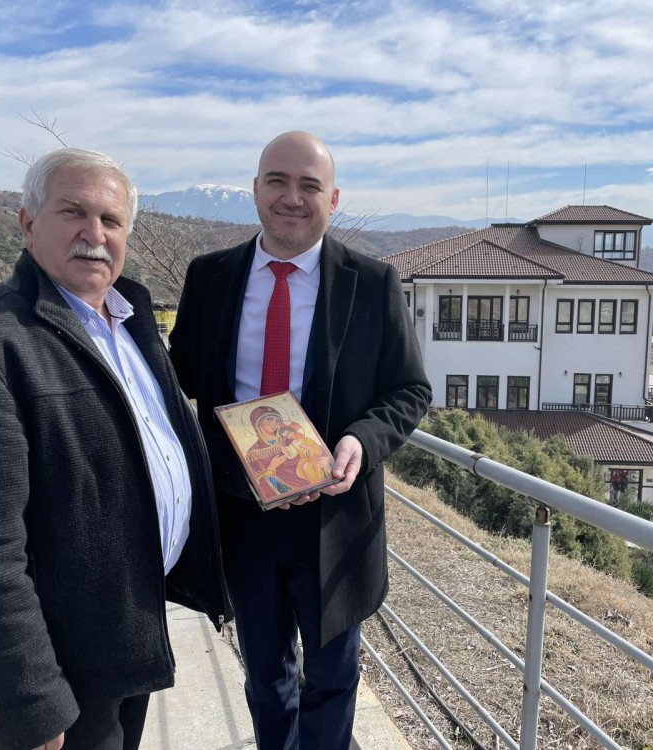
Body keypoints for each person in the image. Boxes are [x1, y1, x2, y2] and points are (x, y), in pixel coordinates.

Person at [0, 148, 232, 750]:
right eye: (73, 212)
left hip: (129, 630)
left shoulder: (129, 324)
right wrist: (27, 703)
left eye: (111, 220)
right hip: (63, 665)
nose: (95, 234)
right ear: (28, 224)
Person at [168, 131, 432, 750]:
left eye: (309, 185)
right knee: (265, 675)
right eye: (278, 182)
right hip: (242, 513)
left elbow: (409, 390)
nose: (292, 197)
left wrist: (361, 441)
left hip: (334, 517)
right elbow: (180, 374)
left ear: (332, 199)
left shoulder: (372, 283)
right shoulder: (210, 277)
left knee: (333, 679)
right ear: (255, 190)